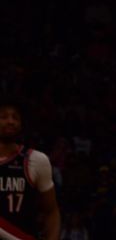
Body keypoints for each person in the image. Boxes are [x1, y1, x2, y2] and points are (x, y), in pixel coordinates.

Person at [0, 99, 61, 240]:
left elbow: (51, 212)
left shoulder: (36, 160)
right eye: (3, 117)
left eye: (15, 117)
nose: (10, 121)